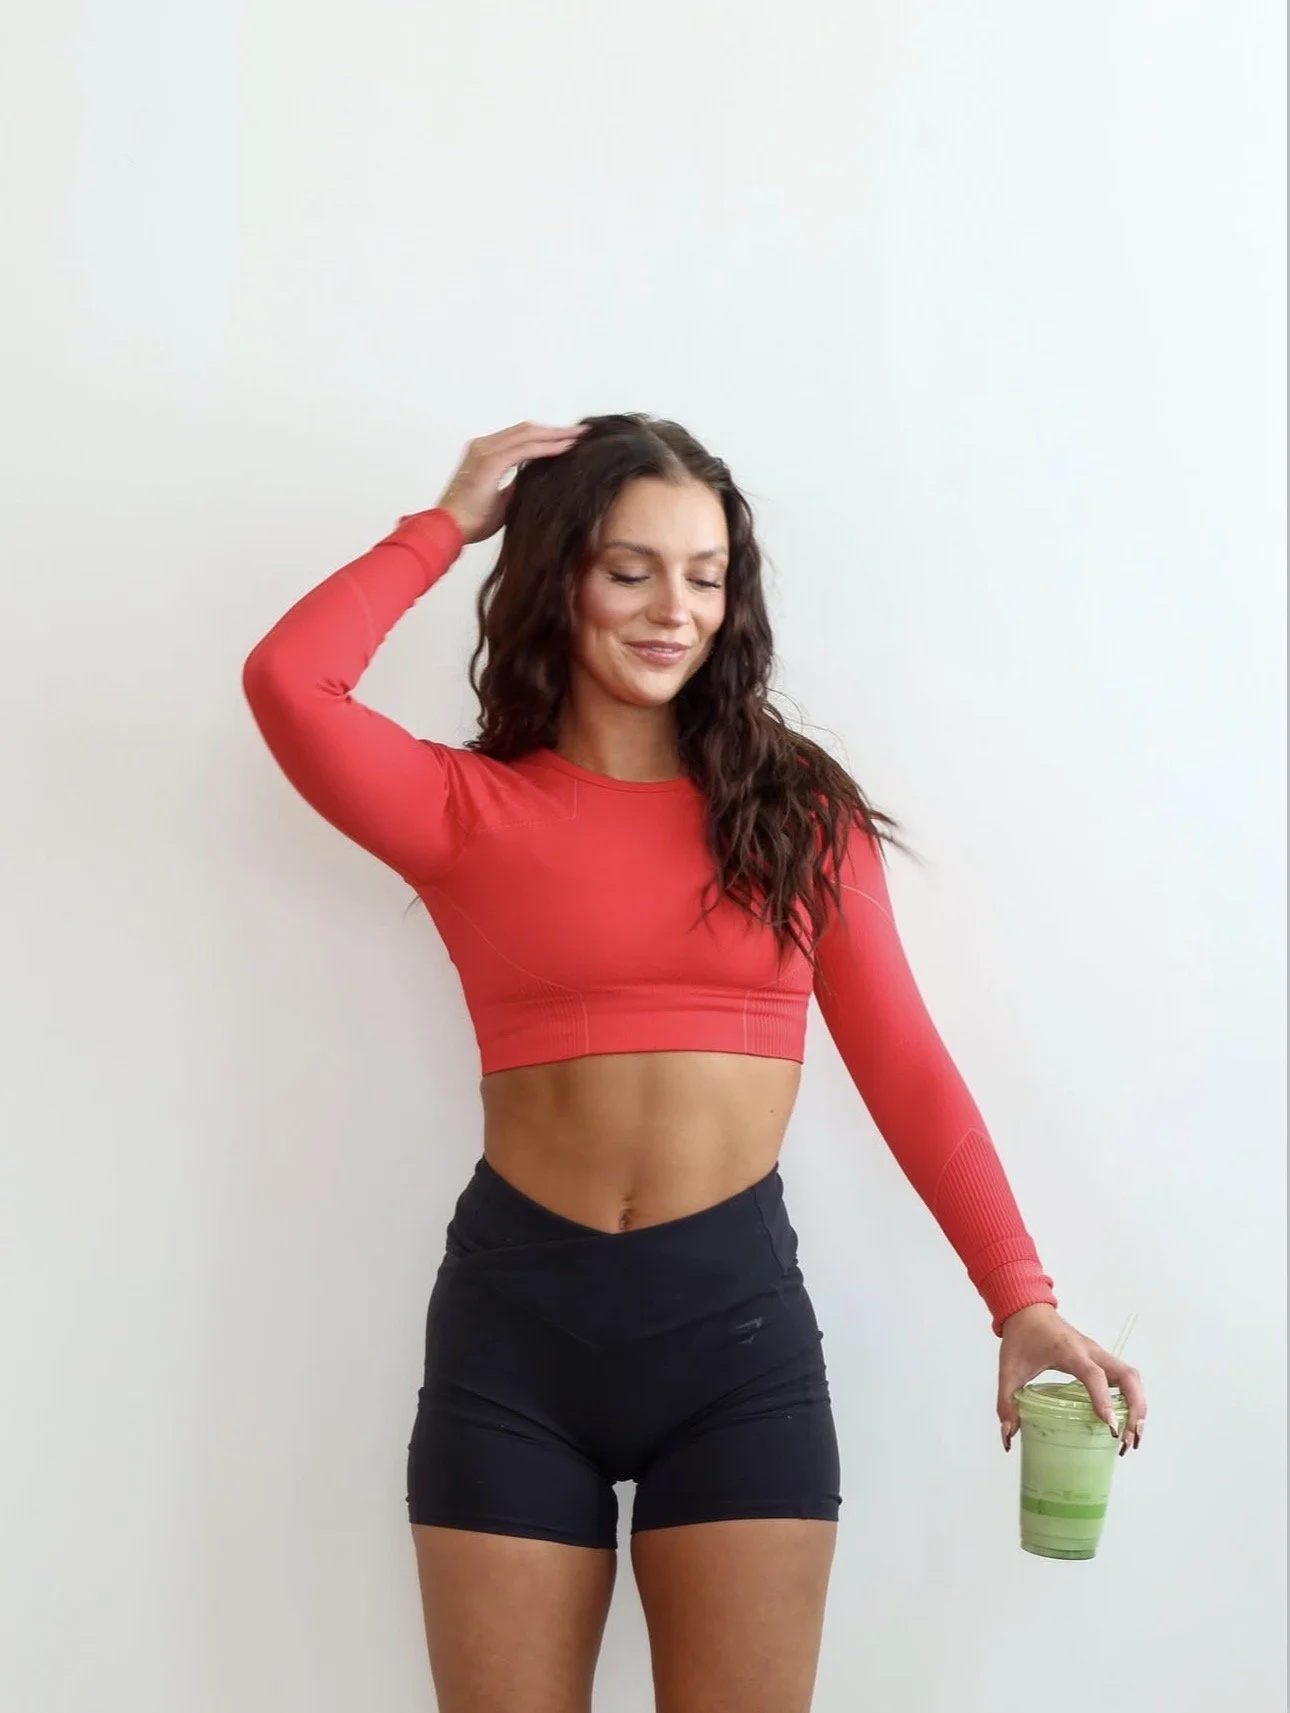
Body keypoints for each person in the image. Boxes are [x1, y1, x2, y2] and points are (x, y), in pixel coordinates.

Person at [242, 414, 1147, 1713]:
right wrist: (447, 521)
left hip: (735, 1344)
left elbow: (906, 1065)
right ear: (557, 577)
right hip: (514, 1339)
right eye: (632, 570)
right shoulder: (464, 808)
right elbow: (290, 683)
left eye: (706, 576)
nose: (676, 609)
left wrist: (1020, 1297)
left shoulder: (794, 815)